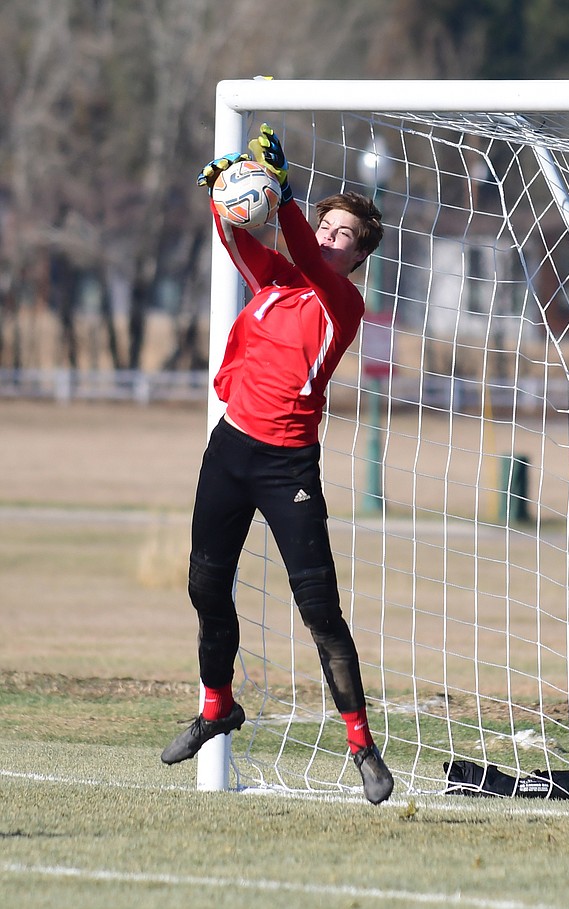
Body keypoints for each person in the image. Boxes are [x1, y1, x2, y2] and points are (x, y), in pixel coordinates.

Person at [161, 124, 394, 805]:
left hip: (287, 466)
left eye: (344, 233)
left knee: (320, 610)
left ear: (358, 256)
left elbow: (302, 252)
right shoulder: (274, 277)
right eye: (326, 224)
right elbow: (238, 236)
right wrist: (222, 193)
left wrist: (286, 196)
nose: (329, 236)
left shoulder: (339, 301)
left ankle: (360, 742)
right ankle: (217, 706)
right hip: (229, 450)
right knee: (206, 587)